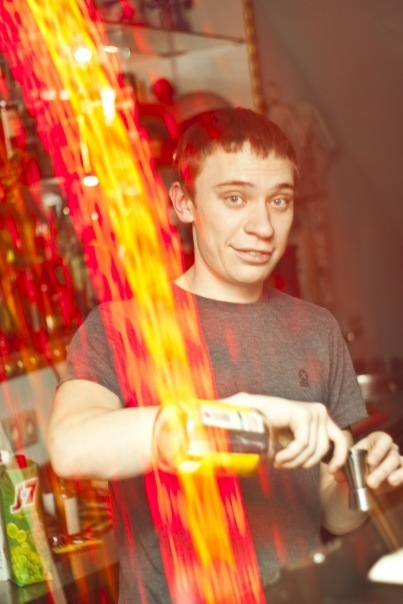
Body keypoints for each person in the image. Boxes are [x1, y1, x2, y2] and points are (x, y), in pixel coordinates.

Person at [48, 108, 403, 603]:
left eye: (279, 201)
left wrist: (359, 484)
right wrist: (235, 419)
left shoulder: (316, 329)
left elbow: (331, 511)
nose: (263, 226)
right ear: (184, 203)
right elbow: (70, 446)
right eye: (235, 198)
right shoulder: (121, 328)